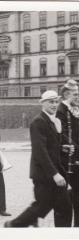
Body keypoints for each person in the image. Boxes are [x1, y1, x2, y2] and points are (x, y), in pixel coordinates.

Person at [4, 90, 73, 227]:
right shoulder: (39, 122)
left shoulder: (51, 120)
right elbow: (40, 151)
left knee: (63, 207)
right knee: (42, 206)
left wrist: (62, 148)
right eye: (51, 102)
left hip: (53, 174)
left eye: (56, 102)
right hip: (44, 175)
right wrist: (54, 174)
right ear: (43, 104)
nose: (54, 105)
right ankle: (13, 225)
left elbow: (49, 146)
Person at [56, 79, 79, 227]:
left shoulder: (74, 109)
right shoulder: (61, 110)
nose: (78, 97)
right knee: (66, 197)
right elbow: (62, 135)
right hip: (67, 160)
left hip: (75, 158)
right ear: (66, 95)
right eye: (75, 95)